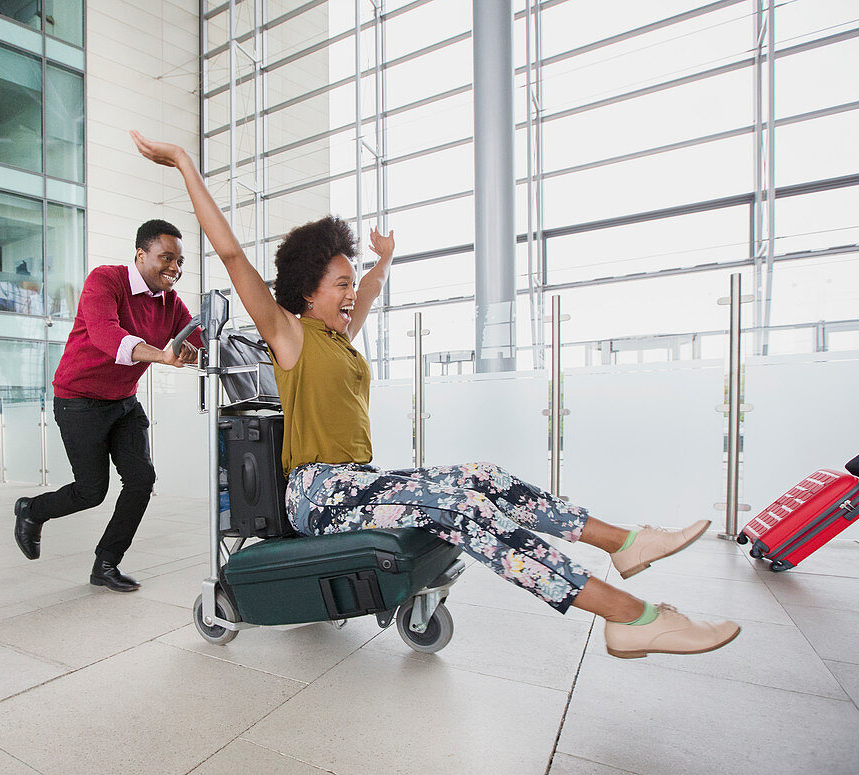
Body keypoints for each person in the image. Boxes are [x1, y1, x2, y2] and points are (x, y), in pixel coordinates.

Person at [132, 130, 742, 658]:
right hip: (318, 494)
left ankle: (624, 543)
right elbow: (232, 253)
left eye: (350, 286)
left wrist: (383, 261)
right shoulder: (291, 335)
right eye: (338, 284)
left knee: (484, 477)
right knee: (462, 510)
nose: (351, 295)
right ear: (307, 293)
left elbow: (368, 291)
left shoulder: (342, 338)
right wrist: (186, 162)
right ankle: (630, 615)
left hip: (356, 483)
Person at [13, 219, 203, 592]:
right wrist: (161, 356)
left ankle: (106, 564)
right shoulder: (106, 279)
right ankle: (30, 511)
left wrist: (195, 349)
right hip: (79, 400)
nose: (175, 269)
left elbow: (195, 339)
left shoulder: (169, 302)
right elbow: (106, 335)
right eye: (167, 258)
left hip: (123, 403)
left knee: (141, 479)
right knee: (91, 491)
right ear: (140, 254)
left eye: (180, 262)